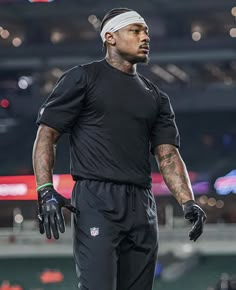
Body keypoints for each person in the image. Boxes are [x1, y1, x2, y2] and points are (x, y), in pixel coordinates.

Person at [32, 7, 207, 290]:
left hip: (142, 204)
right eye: (135, 31)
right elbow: (46, 134)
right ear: (110, 37)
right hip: (97, 199)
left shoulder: (156, 97)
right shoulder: (83, 78)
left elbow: (168, 155)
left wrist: (188, 201)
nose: (145, 37)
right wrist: (45, 190)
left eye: (147, 31)